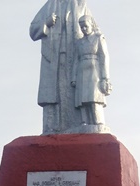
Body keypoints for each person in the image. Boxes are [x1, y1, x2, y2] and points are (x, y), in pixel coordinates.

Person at [30, 0, 93, 134]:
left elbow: (93, 29)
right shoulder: (49, 6)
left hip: (74, 56)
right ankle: (52, 127)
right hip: (53, 57)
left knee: (73, 89)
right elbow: (32, 30)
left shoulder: (81, 5)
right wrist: (46, 23)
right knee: (54, 92)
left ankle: (76, 124)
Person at [71, 15, 111, 128]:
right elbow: (75, 60)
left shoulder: (98, 38)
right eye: (82, 27)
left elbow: (104, 57)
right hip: (81, 70)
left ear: (91, 25)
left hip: (94, 70)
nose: (84, 29)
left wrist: (105, 77)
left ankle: (98, 122)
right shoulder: (79, 42)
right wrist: (73, 77)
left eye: (86, 26)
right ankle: (84, 121)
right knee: (82, 98)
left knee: (94, 97)